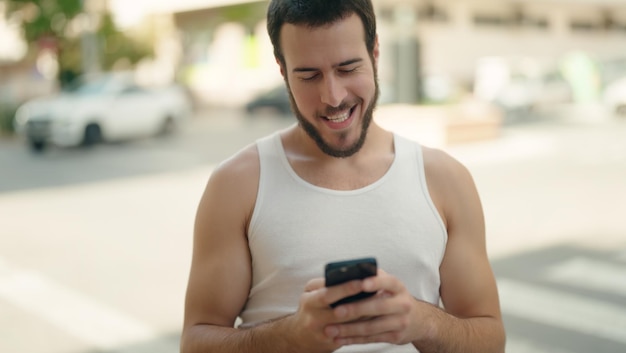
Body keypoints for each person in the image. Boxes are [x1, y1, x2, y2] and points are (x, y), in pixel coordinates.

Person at [181, 1, 506, 352]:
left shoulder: (445, 180)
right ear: (282, 70)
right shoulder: (237, 185)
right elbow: (197, 342)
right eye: (308, 76)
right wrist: (292, 336)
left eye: (348, 68)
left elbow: (489, 341)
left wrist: (423, 322)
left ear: (375, 52)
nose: (333, 96)